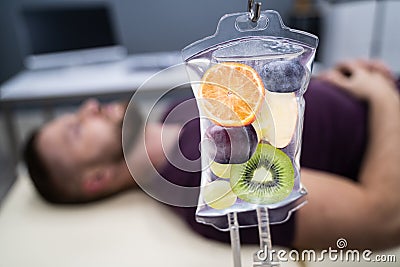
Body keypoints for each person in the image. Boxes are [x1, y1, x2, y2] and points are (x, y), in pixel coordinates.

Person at [23, 59, 400, 250]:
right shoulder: (211, 188)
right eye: (76, 129)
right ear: (97, 179)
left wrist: (345, 77)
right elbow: (382, 216)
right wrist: (383, 98)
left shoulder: (176, 106)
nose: (89, 106)